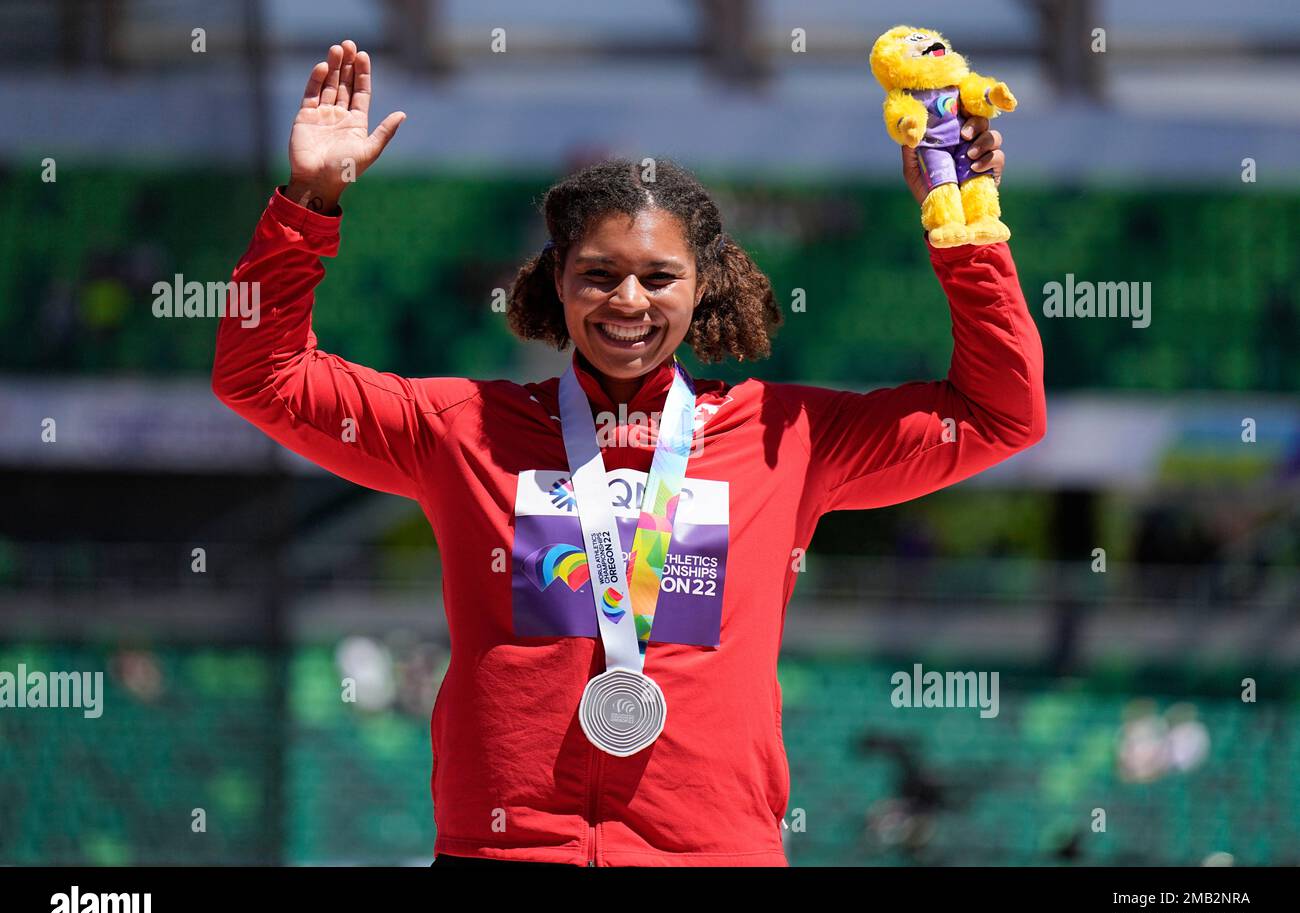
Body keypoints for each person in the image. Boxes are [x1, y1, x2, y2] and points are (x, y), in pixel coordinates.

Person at [213, 41, 1045, 866]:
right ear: (557, 280)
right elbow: (262, 377)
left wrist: (964, 227)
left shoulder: (784, 438)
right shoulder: (462, 429)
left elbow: (1001, 413)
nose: (628, 301)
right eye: (600, 274)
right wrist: (310, 200)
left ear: (703, 285)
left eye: (658, 276)